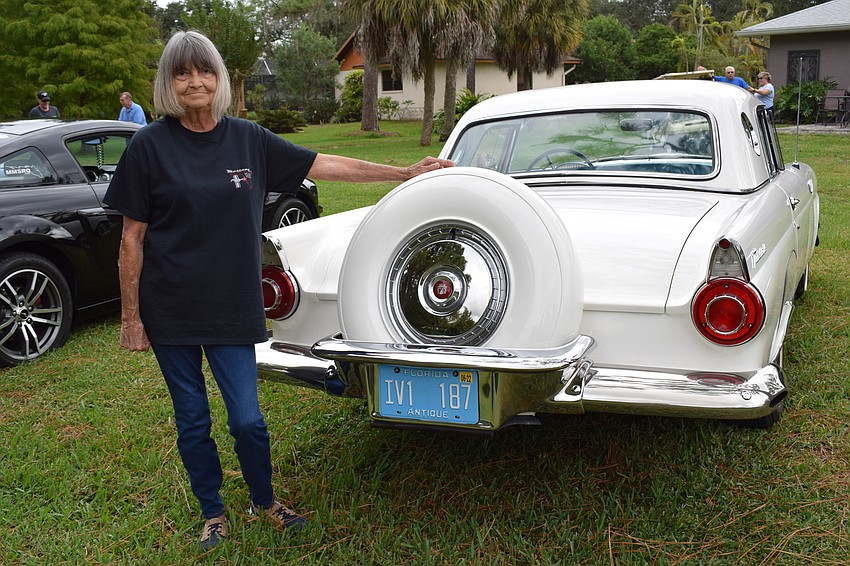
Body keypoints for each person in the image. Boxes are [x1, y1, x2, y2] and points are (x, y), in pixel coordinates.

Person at [103, 30, 453, 552]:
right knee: (192, 419)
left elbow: (323, 164)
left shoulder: (248, 138)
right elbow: (132, 238)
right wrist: (132, 318)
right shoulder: (149, 147)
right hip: (170, 306)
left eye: (205, 71)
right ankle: (212, 511)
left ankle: (265, 500)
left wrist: (402, 172)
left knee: (246, 417)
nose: (195, 81)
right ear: (168, 83)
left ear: (219, 79)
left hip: (231, 305)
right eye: (182, 72)